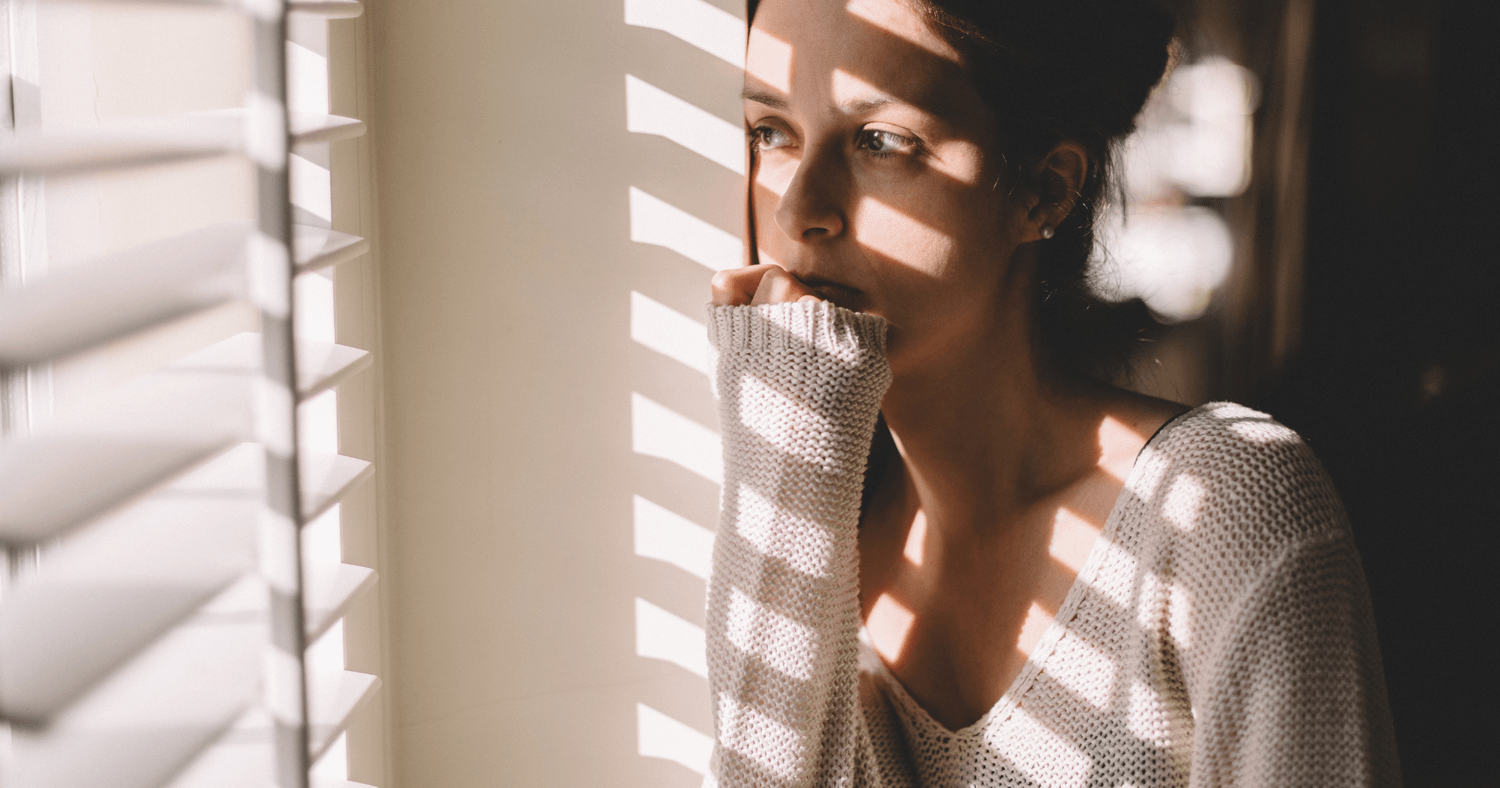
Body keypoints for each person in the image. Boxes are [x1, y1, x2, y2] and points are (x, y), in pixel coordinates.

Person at [701, 0, 1401, 785]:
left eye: (881, 141)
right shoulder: (807, 528)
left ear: (1043, 188)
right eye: (771, 132)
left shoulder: (1219, 513)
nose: (797, 211)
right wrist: (789, 456)